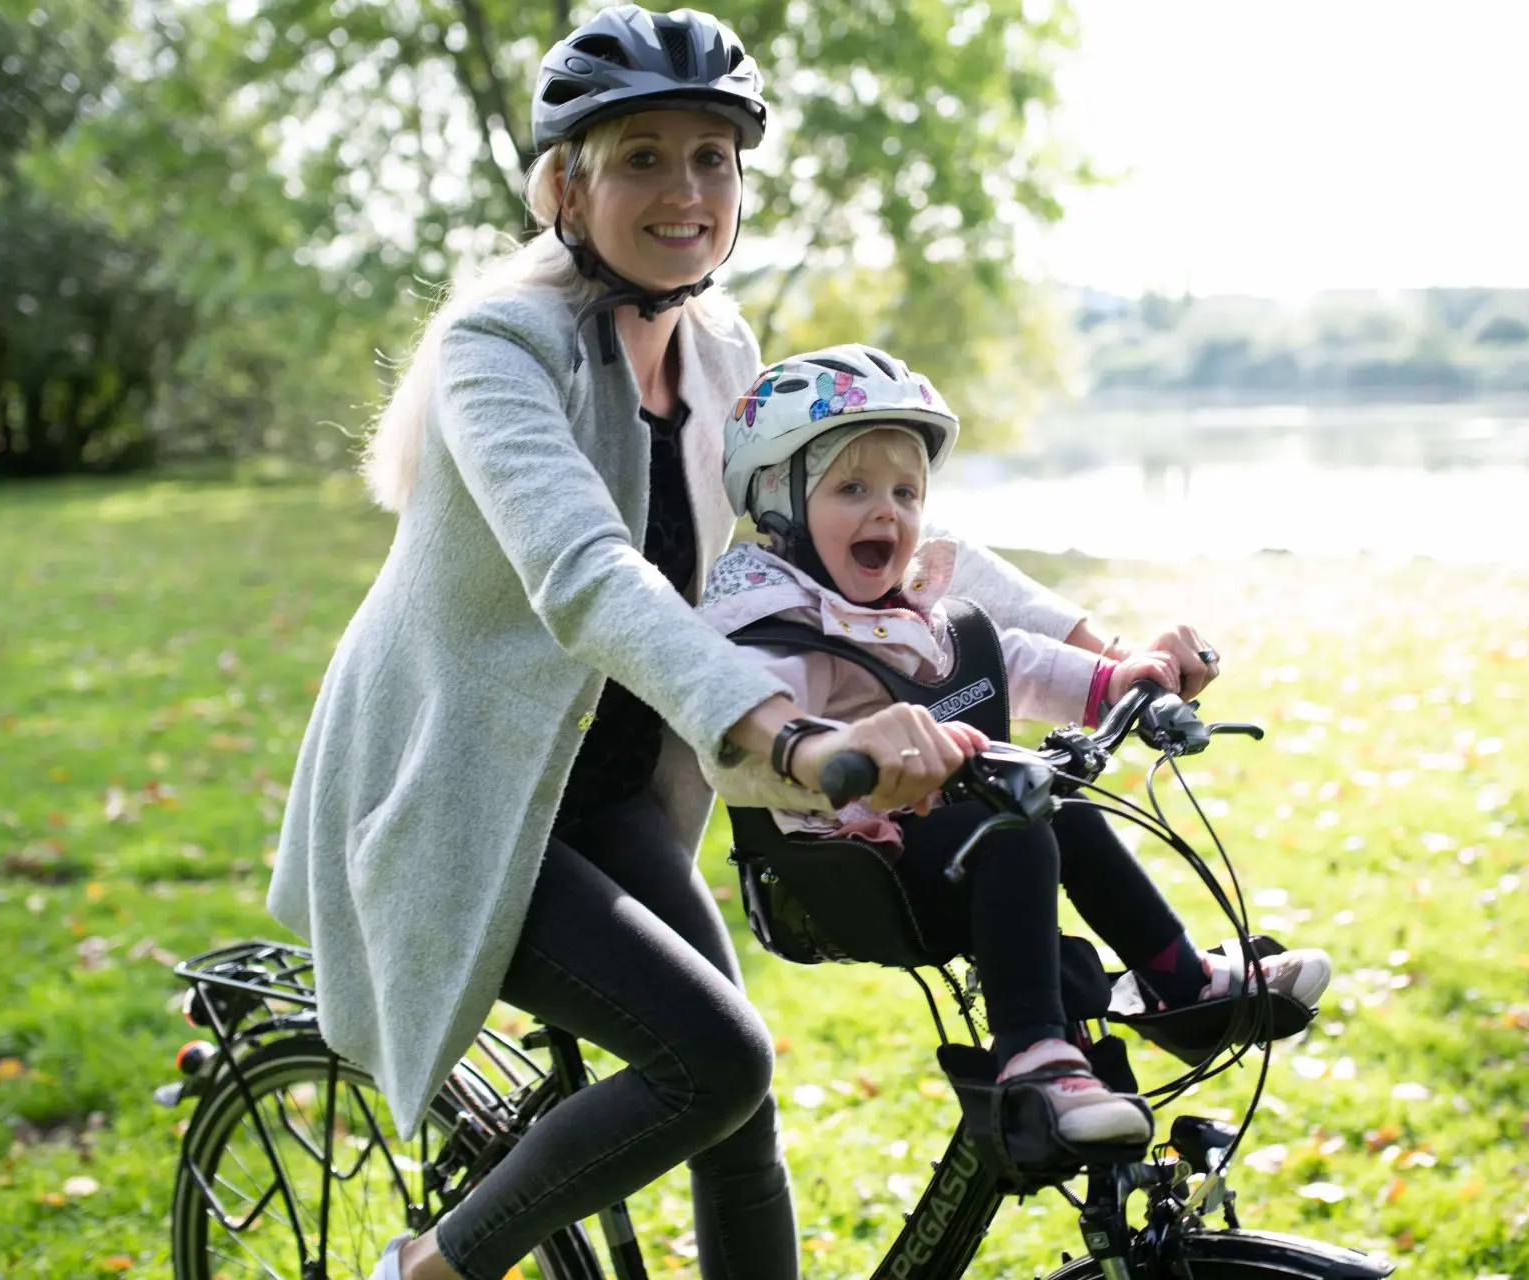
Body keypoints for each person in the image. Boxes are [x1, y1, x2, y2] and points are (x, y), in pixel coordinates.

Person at [263, 8, 1151, 1279]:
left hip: (617, 785)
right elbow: (587, 573)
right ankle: (432, 1267)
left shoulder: (724, 351)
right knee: (709, 1058)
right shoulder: (496, 347)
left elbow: (854, 530)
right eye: (642, 157)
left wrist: (1091, 645)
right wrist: (789, 730)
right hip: (458, 794)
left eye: (712, 158)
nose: (685, 190)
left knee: (742, 1101)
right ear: (566, 183)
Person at [700, 344, 1334, 1144]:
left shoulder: (904, 604)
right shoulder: (773, 624)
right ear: (778, 509)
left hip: (940, 833)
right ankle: (1033, 1050)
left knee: (1059, 801)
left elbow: (1011, 657)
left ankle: (1176, 978)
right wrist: (846, 747)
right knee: (1015, 829)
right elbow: (757, 719)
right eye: (851, 489)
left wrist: (1112, 681)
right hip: (854, 863)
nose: (886, 512)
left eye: (905, 490)